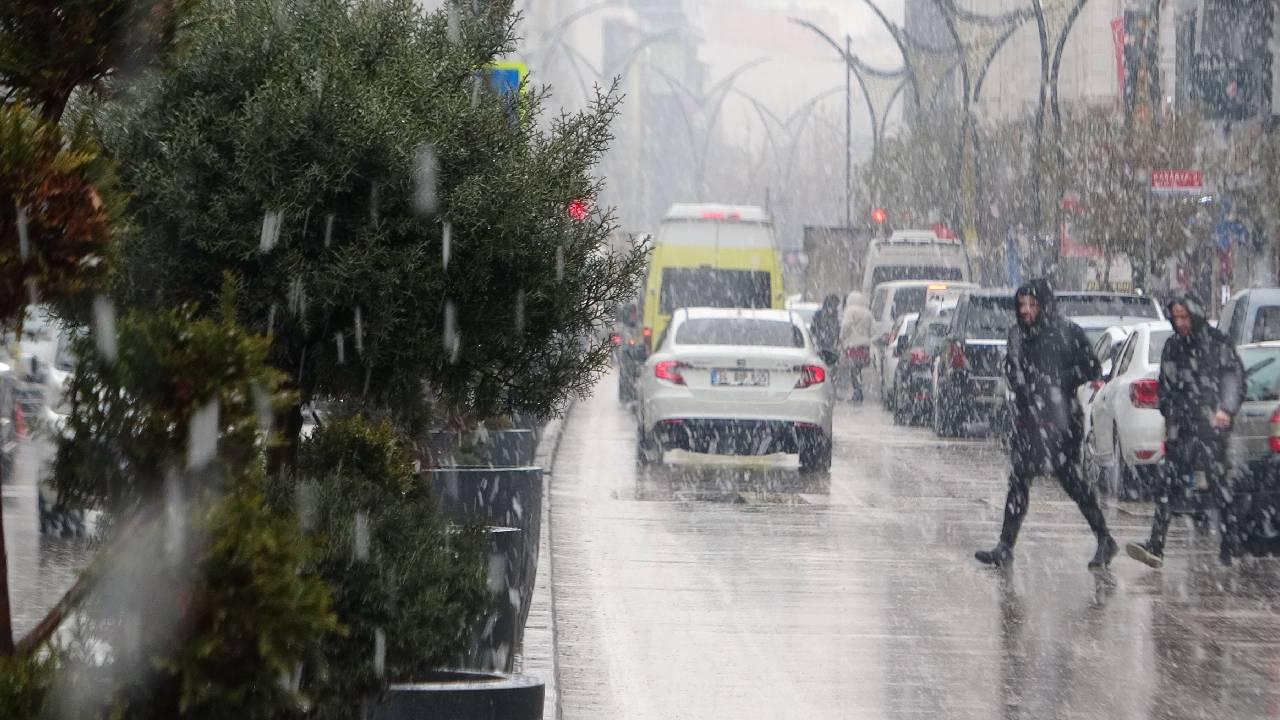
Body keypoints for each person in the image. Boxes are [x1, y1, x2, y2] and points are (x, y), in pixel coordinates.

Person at [976, 279, 1118, 569]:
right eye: (1022, 305)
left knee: (1071, 480)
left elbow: (1091, 367)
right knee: (1019, 480)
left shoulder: (1066, 332)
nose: (1026, 311)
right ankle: (1005, 546)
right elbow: (1012, 368)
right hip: (1028, 419)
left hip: (1061, 419)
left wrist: (1057, 381)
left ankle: (1104, 537)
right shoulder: (1017, 334)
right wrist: (1019, 383)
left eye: (1032, 305)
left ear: (1044, 305)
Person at [1127, 292, 1245, 568]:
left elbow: (1234, 379)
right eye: (1176, 317)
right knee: (1168, 484)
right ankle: (1156, 545)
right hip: (1181, 427)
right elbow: (1165, 385)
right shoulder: (1173, 346)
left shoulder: (1218, 343)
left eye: (1185, 317)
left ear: (1195, 315)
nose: (1180, 323)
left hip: (1211, 428)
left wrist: (1225, 409)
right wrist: (1169, 409)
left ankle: (1230, 544)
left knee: (1218, 485)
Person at [840, 291, 873, 402]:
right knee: (858, 369)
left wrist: (842, 337)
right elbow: (871, 330)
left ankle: (857, 392)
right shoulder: (867, 313)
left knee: (853, 370)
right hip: (864, 345)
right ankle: (859, 390)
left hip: (853, 344)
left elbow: (845, 326)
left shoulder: (850, 311)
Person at [809, 294, 842, 367]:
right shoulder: (836, 316)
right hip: (827, 346)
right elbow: (813, 329)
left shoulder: (820, 314)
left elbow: (813, 330)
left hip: (825, 345)